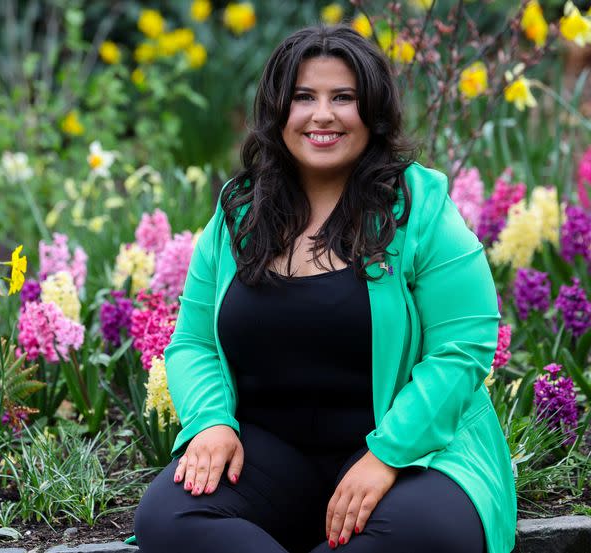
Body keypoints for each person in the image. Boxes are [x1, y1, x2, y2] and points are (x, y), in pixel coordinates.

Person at [133, 24, 517, 553]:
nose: (322, 115)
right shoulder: (239, 213)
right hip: (271, 461)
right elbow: (193, 342)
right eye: (303, 98)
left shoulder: (421, 209)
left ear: (373, 113)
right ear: (278, 112)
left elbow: (463, 348)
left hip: (414, 457)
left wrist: (386, 456)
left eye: (344, 98)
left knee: (430, 534)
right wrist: (211, 423)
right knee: (166, 517)